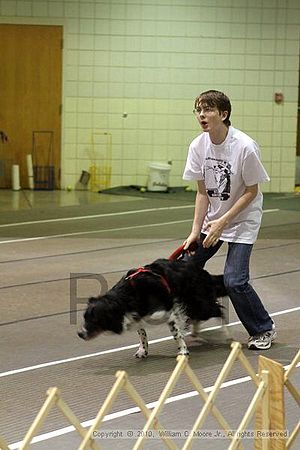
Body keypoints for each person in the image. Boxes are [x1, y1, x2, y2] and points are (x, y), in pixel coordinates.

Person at [183, 90, 276, 350]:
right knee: (186, 267)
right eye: (198, 109)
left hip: (242, 219)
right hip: (212, 221)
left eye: (208, 109)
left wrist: (223, 221)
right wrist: (194, 232)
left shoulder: (244, 146)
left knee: (234, 280)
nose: (202, 115)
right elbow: (202, 192)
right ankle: (194, 313)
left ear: (224, 114)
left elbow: (251, 191)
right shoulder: (198, 145)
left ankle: (262, 329)